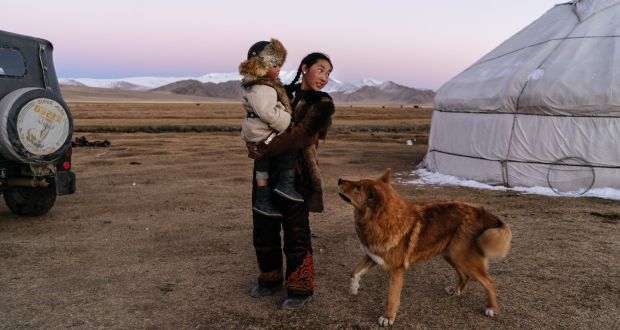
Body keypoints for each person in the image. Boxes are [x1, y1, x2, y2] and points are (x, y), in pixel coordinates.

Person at [246, 52, 335, 310]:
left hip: (297, 175)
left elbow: (300, 136)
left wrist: (263, 149)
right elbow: (257, 117)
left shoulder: (323, 103)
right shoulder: (280, 91)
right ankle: (269, 279)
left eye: (328, 74)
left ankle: (300, 288)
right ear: (305, 68)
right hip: (265, 172)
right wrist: (252, 145)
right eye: (321, 70)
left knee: (296, 233)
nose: (325, 78)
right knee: (264, 227)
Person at [239, 39, 304, 218]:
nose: (278, 69)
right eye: (274, 64)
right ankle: (286, 184)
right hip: (263, 132)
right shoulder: (263, 87)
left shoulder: (255, 85)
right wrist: (286, 119)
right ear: (260, 66)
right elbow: (268, 113)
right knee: (288, 148)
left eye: (279, 64)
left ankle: (262, 199)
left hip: (256, 132)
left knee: (262, 166)